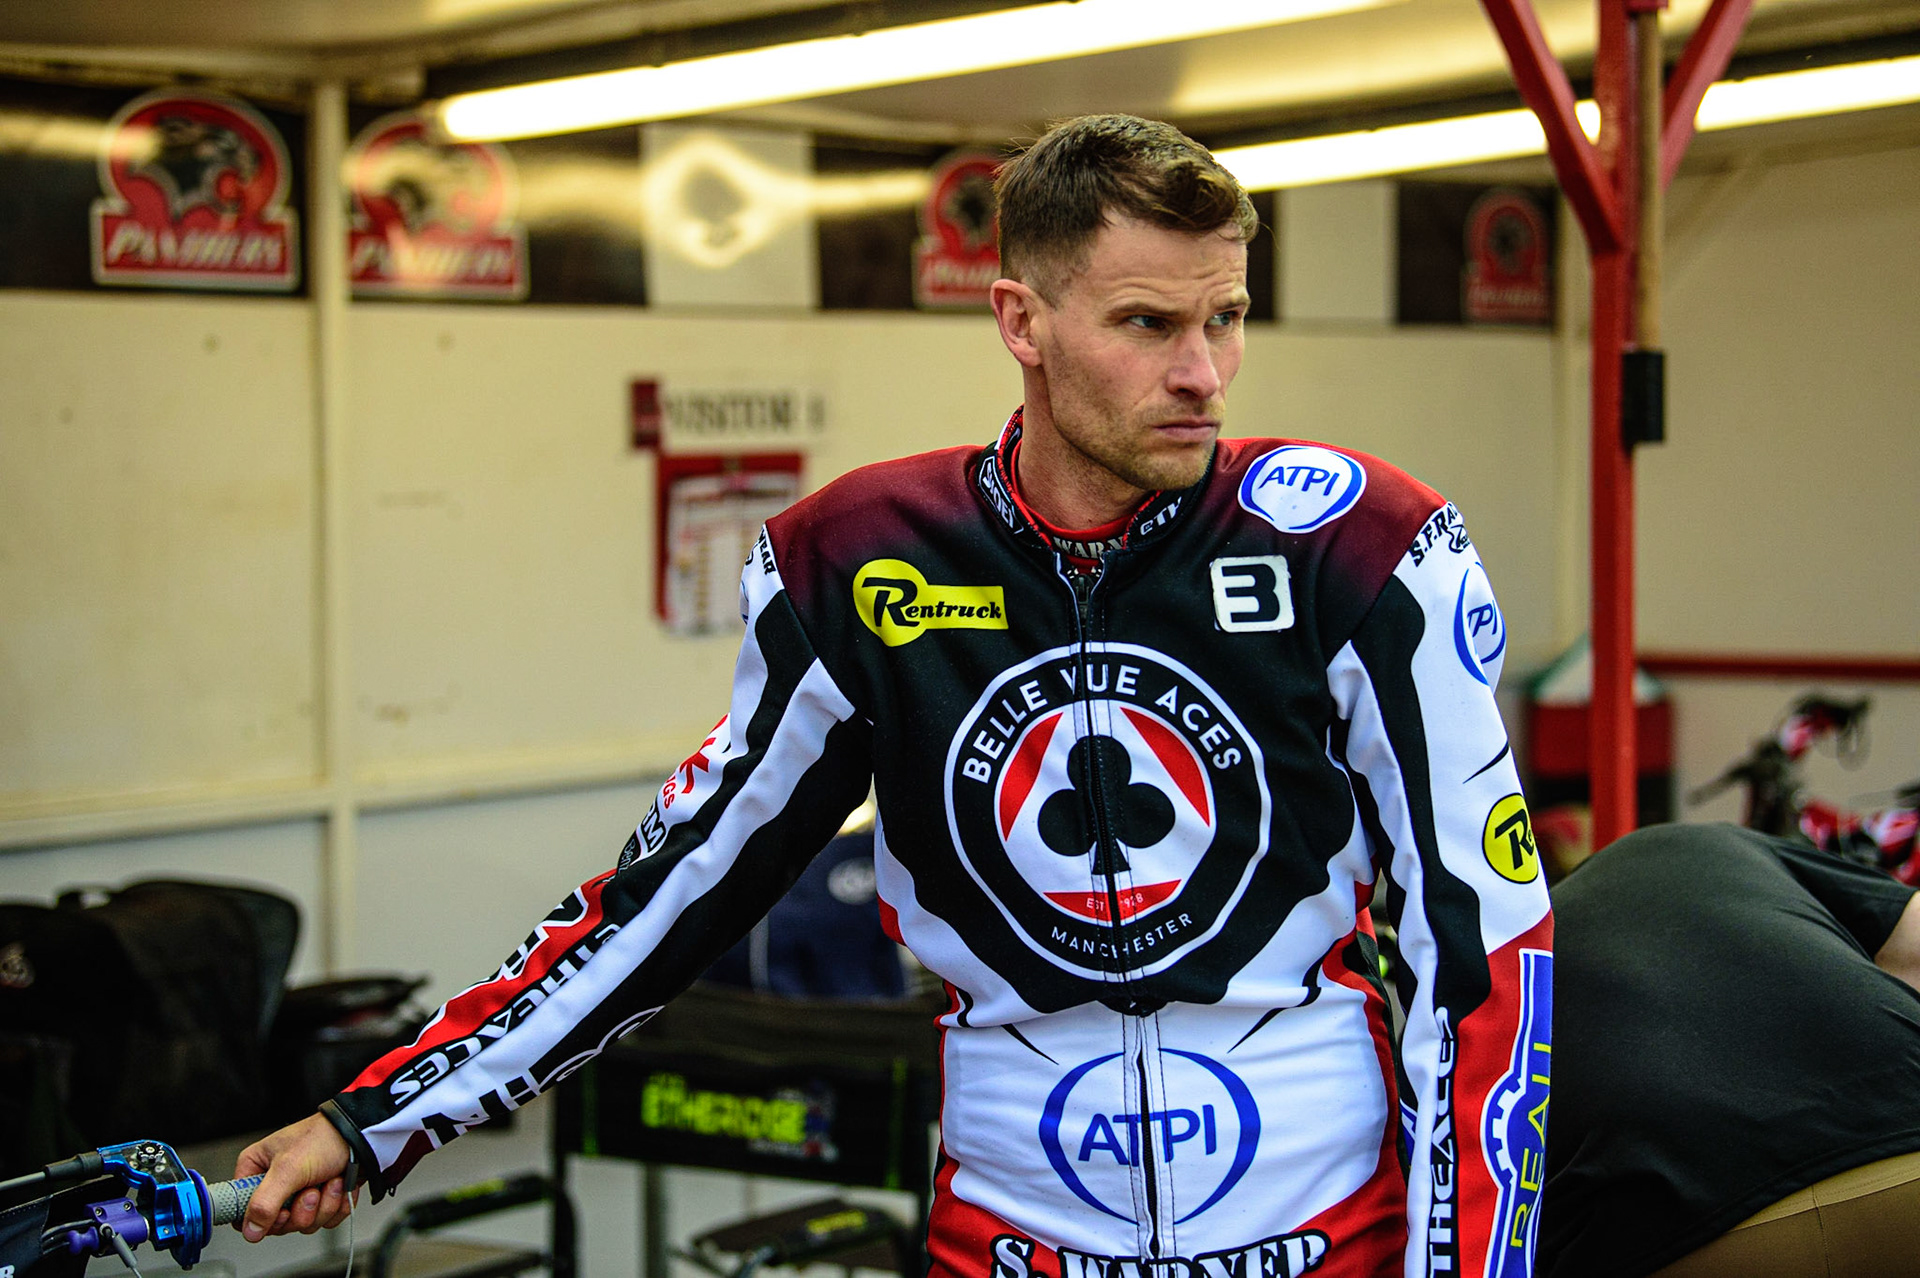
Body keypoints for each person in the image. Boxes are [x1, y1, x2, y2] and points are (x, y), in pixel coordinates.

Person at [235, 114, 1552, 1278]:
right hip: (1012, 1239)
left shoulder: (1358, 545)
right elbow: (672, 895)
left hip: (1328, 1233)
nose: (1205, 372)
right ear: (1021, 322)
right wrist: (380, 1118)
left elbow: (1487, 957)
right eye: (1149, 324)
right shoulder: (862, 562)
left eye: (1227, 317)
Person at [1541, 821, 1920, 1278]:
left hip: (1666, 1226)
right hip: (1902, 1136)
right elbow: (1914, 950)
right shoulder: (1690, 842)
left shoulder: (1517, 969)